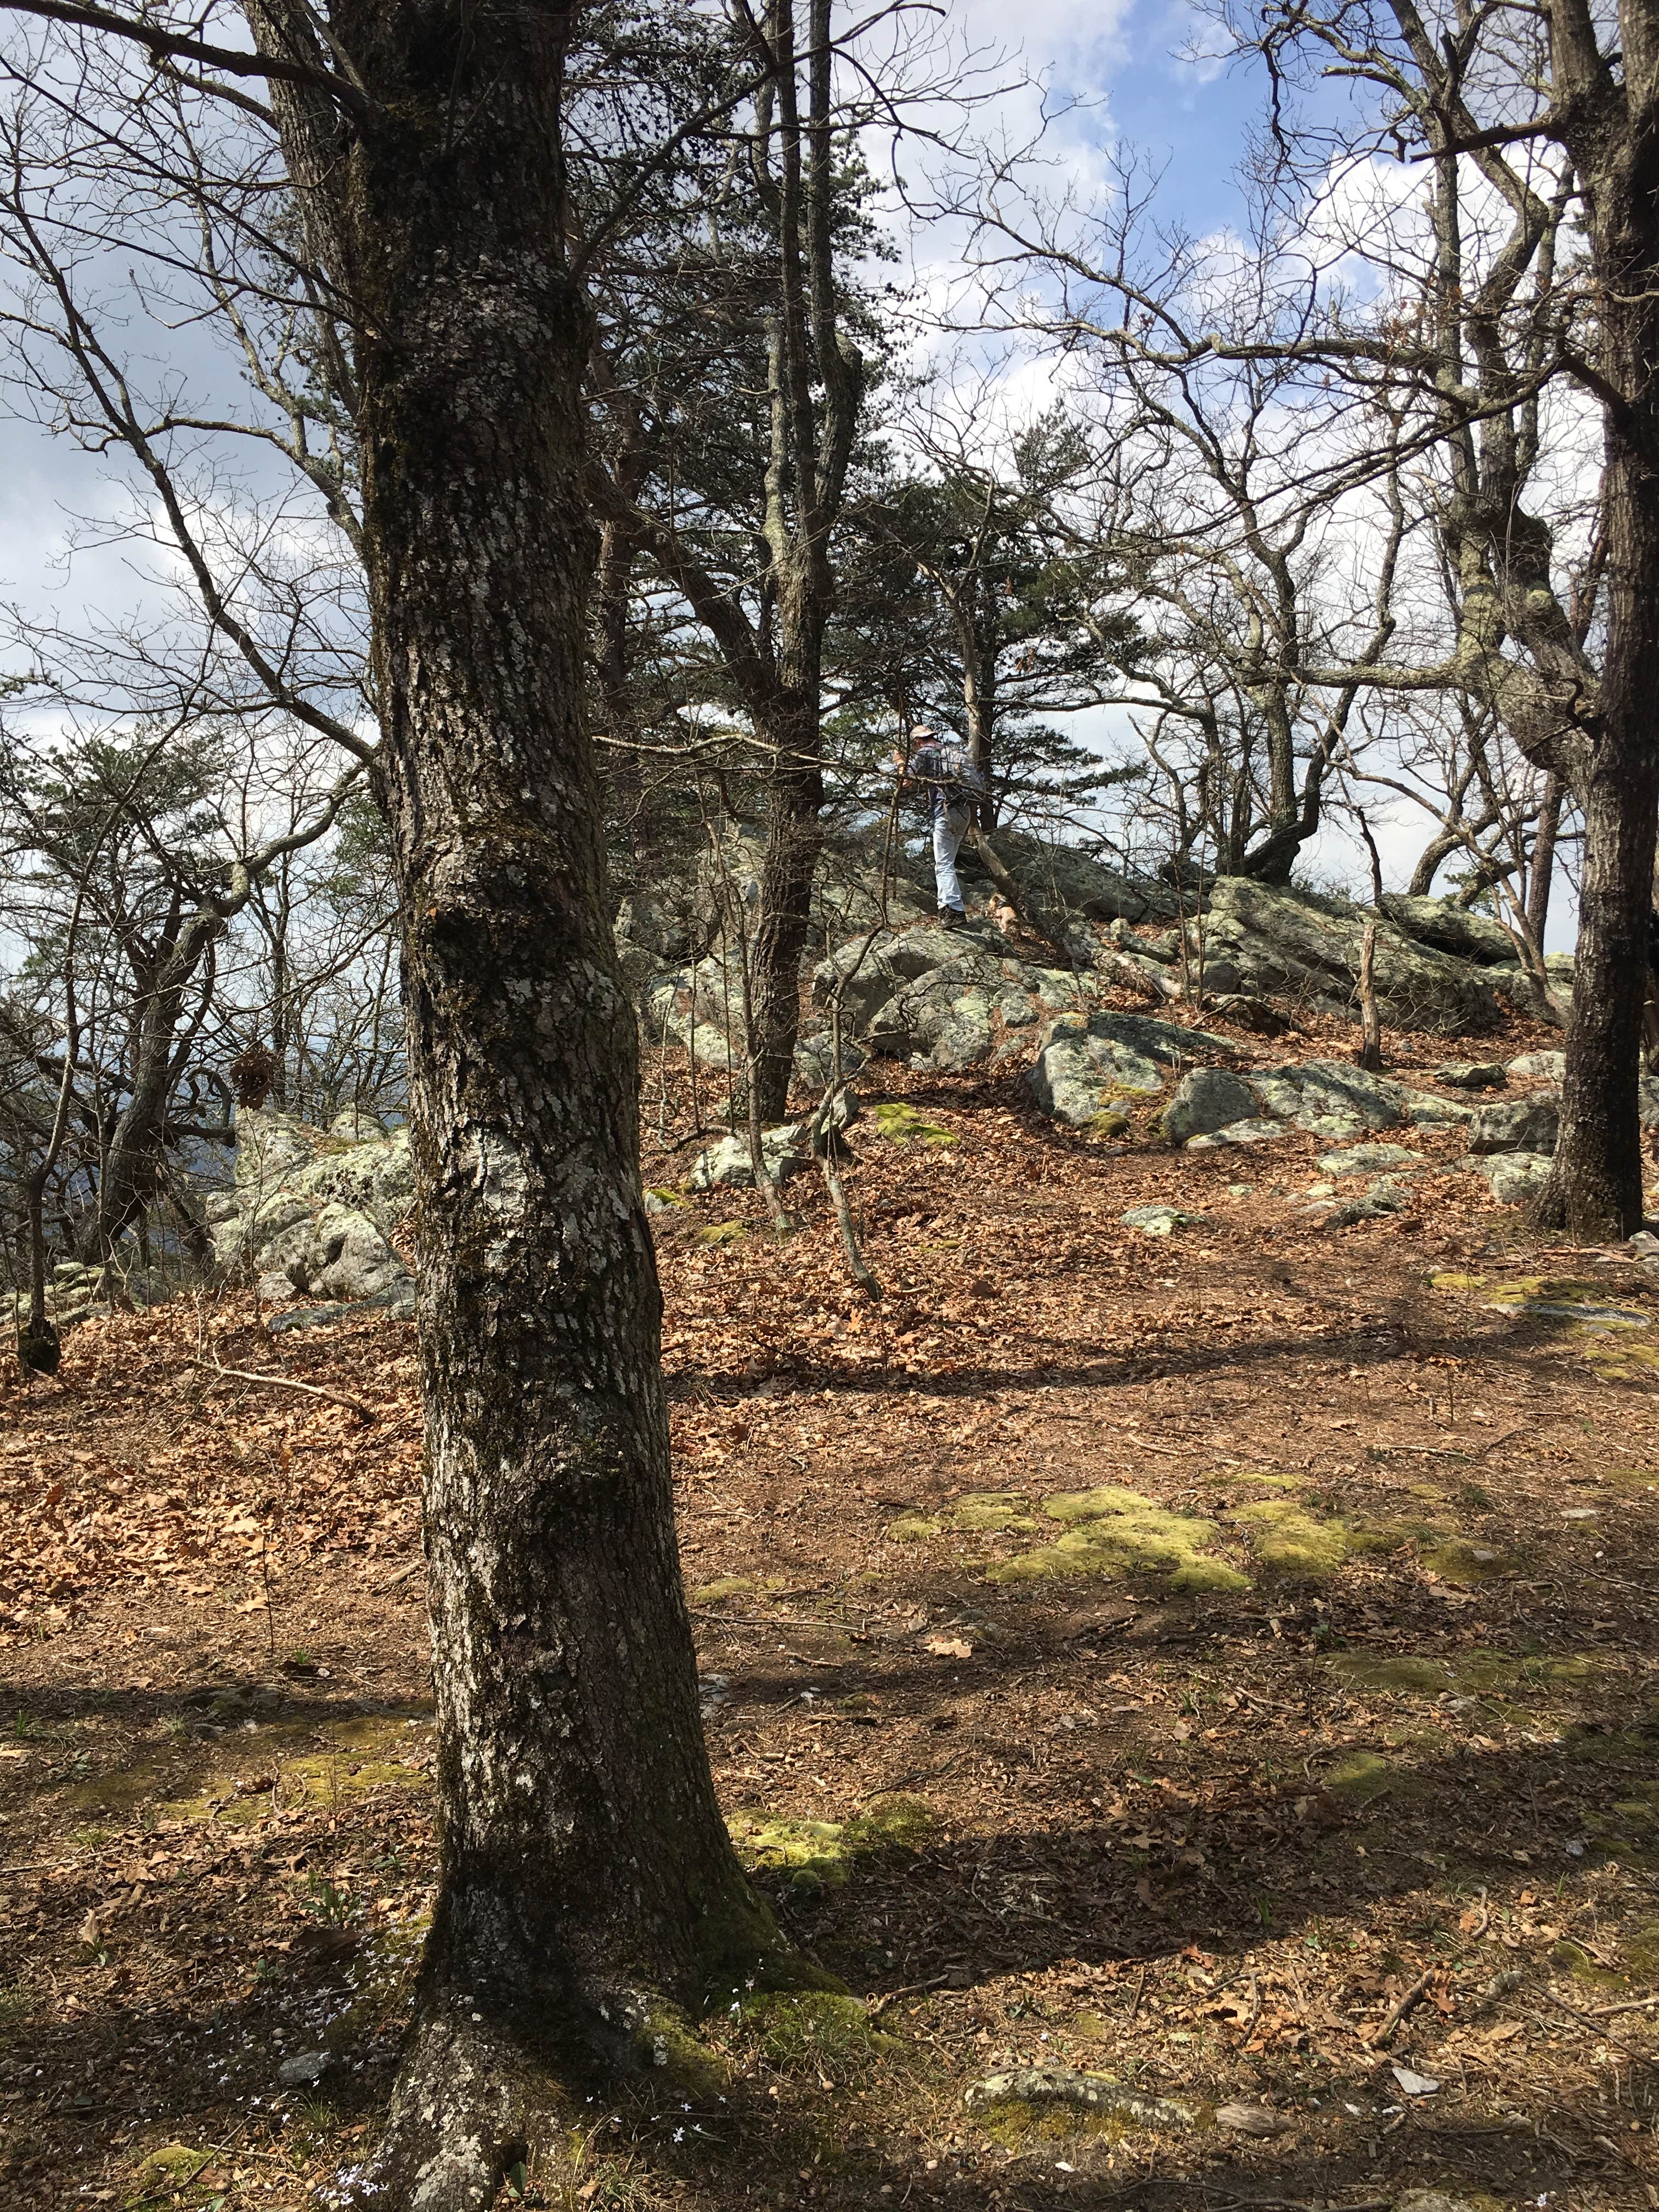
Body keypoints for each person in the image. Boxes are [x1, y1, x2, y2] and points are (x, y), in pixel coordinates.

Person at [893, 725, 984, 927]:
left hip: (945, 813)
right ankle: (945, 908)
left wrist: (899, 762)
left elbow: (906, 780)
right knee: (947, 863)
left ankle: (955, 911)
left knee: (943, 864)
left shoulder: (926, 752)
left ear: (918, 741)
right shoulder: (950, 753)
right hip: (965, 813)